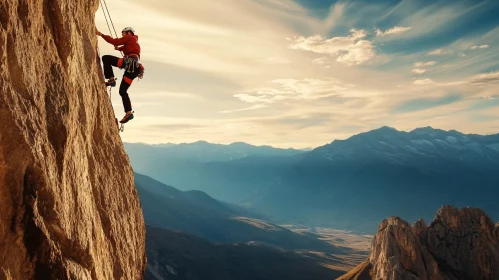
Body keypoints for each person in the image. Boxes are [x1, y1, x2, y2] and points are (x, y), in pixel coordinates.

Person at [96, 27, 143, 123]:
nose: (122, 35)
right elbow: (127, 48)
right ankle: (129, 112)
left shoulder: (130, 37)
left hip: (130, 63)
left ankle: (111, 79)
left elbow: (115, 41)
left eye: (123, 33)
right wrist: (119, 49)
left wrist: (101, 35)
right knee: (122, 91)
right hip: (134, 69)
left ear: (129, 32)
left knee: (106, 58)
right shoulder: (133, 41)